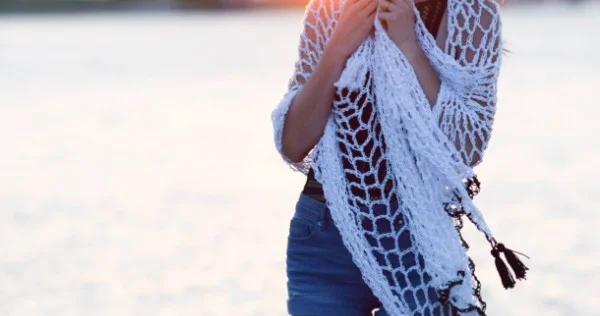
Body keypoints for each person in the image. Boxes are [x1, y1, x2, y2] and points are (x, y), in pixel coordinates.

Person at [270, 0, 519, 314]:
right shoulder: (329, 9)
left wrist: (409, 46)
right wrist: (337, 49)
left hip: (417, 241)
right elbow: (293, 143)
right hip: (325, 238)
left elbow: (466, 147)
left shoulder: (473, 13)